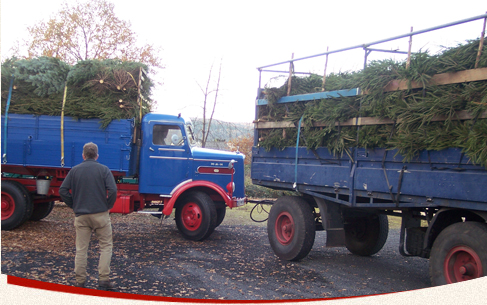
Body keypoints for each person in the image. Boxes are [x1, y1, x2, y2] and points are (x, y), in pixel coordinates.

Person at [59, 142, 118, 290]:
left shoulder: (74, 171)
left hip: (81, 215)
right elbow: (113, 190)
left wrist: (74, 205)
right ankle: (103, 280)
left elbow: (63, 190)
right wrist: (107, 205)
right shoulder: (104, 170)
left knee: (81, 249)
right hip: (100, 215)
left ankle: (80, 282)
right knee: (105, 246)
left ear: (83, 155)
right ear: (97, 156)